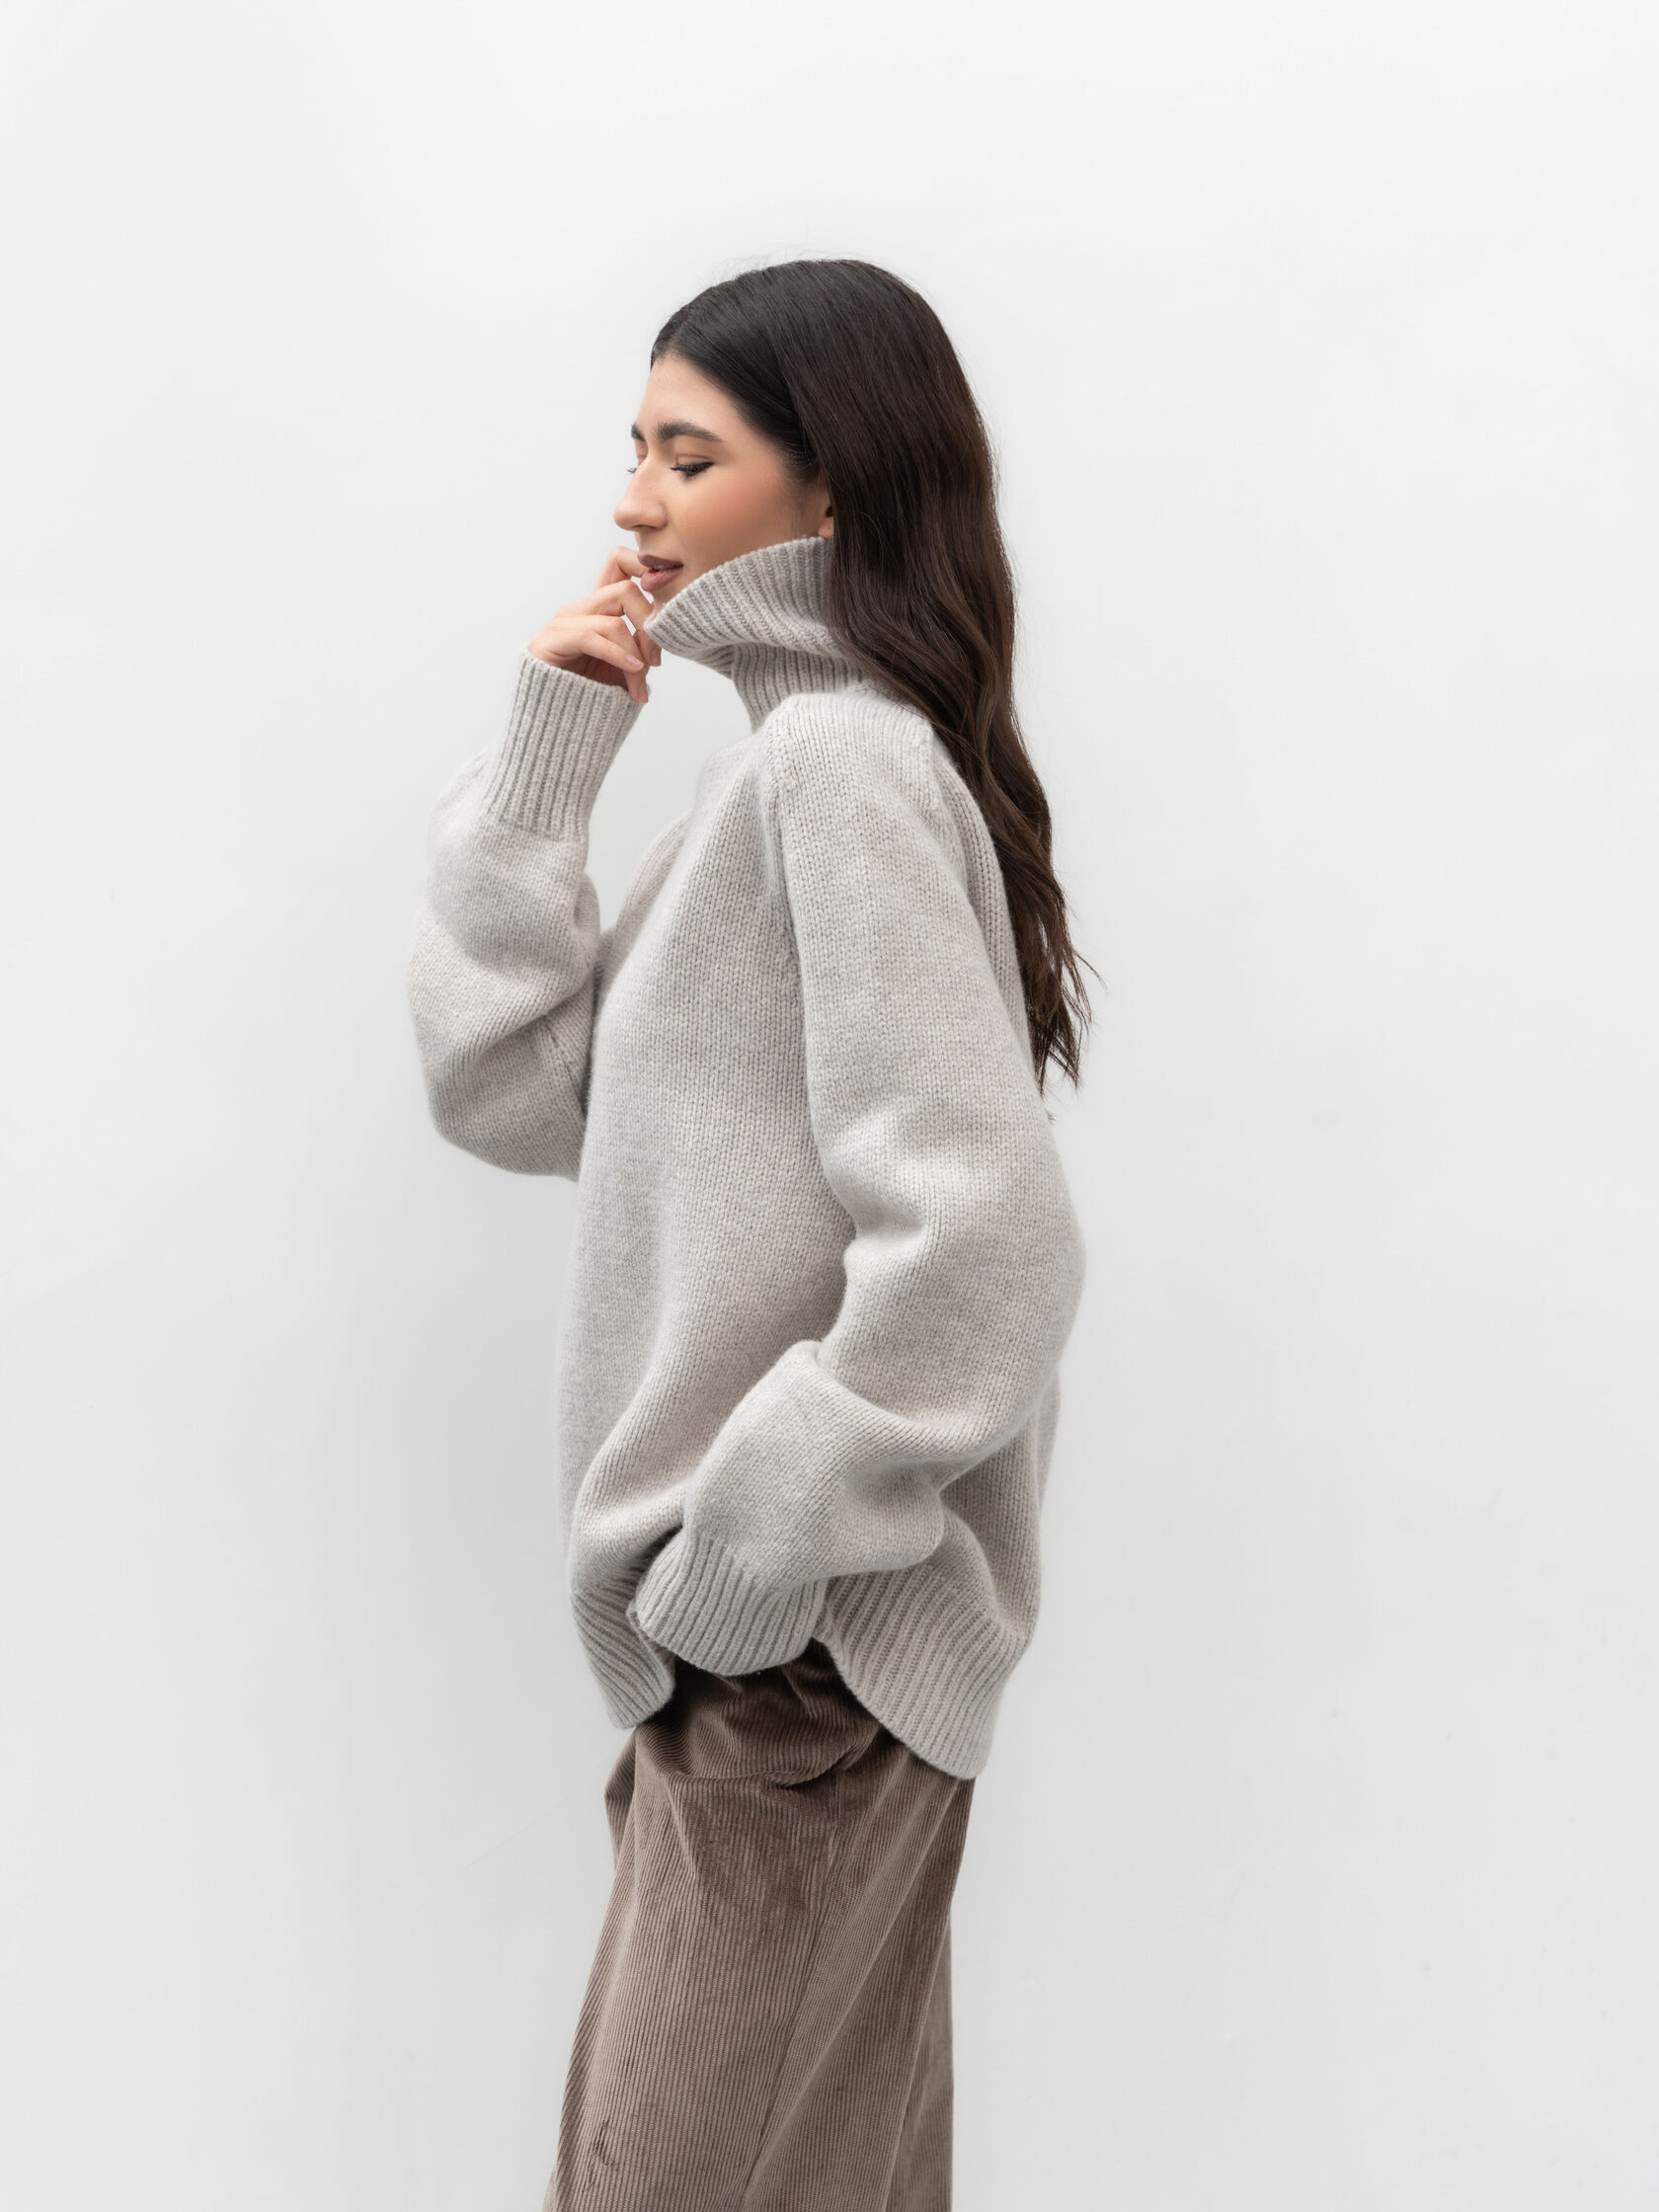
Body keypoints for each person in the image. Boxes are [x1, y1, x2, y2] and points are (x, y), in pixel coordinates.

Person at [405, 258, 1093, 2212]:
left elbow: (985, 1236)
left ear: (829, 488)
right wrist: (549, 760)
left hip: (800, 1664)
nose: (633, 500)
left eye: (687, 456)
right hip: (766, 1666)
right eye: (635, 449)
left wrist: (751, 1553)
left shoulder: (837, 767)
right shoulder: (778, 778)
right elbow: (516, 1095)